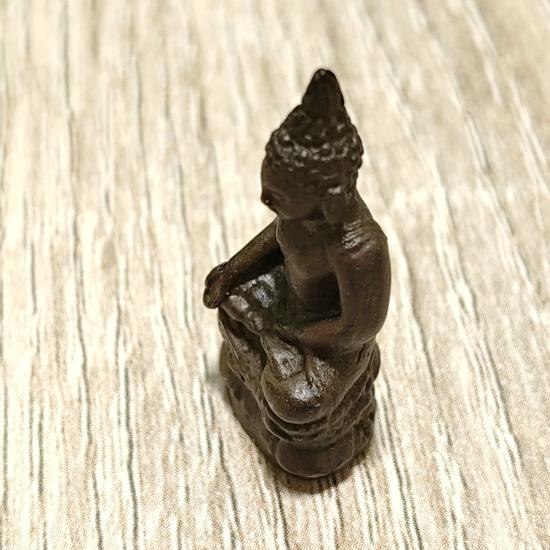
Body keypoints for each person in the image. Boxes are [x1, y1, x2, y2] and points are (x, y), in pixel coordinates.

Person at [203, 69, 391, 478]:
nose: (265, 200)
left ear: (330, 201)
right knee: (228, 306)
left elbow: (356, 330)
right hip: (287, 300)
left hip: (329, 340)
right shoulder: (301, 217)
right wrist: (232, 271)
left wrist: (289, 333)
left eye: (277, 197)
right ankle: (258, 387)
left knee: (297, 402)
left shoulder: (360, 247)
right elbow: (277, 237)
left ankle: (330, 426)